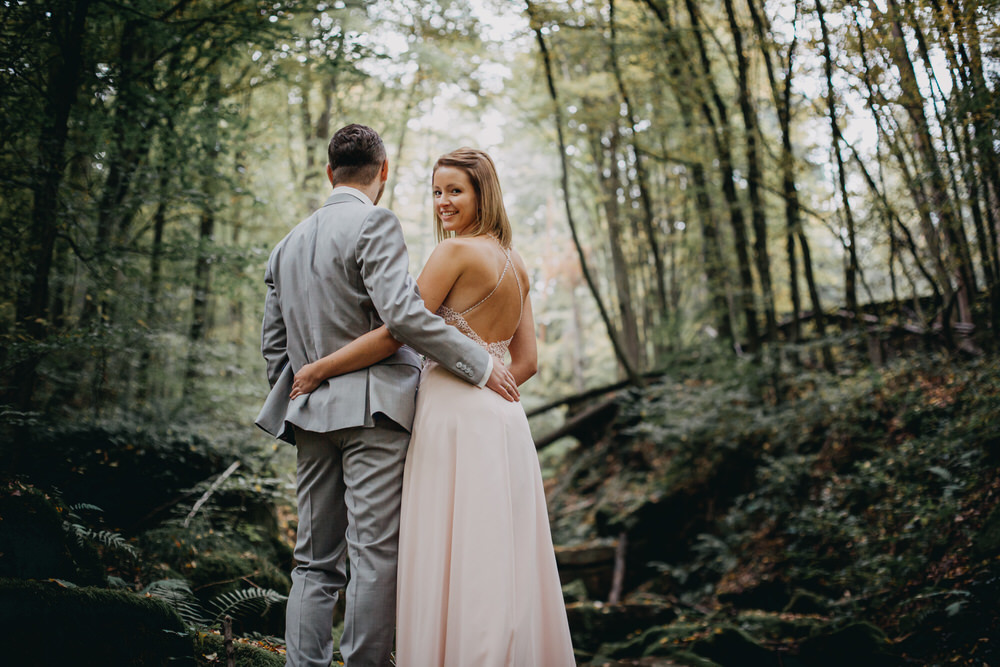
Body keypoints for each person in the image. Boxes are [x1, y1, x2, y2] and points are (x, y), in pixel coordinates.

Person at [289, 147, 575, 666]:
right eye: (437, 191)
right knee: (497, 557)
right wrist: (490, 386)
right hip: (504, 421)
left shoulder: (453, 254)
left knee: (452, 553)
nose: (443, 202)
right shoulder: (517, 263)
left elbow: (398, 331)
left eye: (455, 191)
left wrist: (319, 369)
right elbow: (527, 361)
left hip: (450, 417)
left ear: (482, 193)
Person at [256, 125, 520, 667]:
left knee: (312, 561)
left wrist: (304, 391)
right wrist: (477, 363)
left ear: (331, 172)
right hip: (375, 415)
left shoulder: (287, 245)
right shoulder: (375, 221)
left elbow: (273, 347)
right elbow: (403, 316)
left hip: (309, 415)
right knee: (373, 556)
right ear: (382, 172)